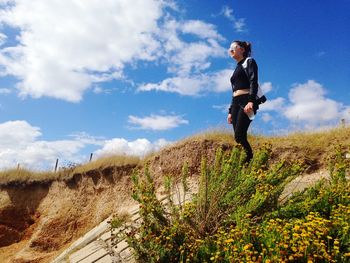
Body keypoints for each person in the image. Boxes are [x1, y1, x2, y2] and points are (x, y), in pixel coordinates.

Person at [227, 40, 258, 163]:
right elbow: (234, 91)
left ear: (242, 49)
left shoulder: (249, 61)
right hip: (235, 102)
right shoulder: (237, 68)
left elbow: (253, 81)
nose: (230, 50)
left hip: (246, 100)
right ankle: (246, 162)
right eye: (229, 48)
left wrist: (251, 101)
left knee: (239, 134)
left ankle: (249, 159)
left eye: (233, 47)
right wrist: (230, 111)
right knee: (238, 137)